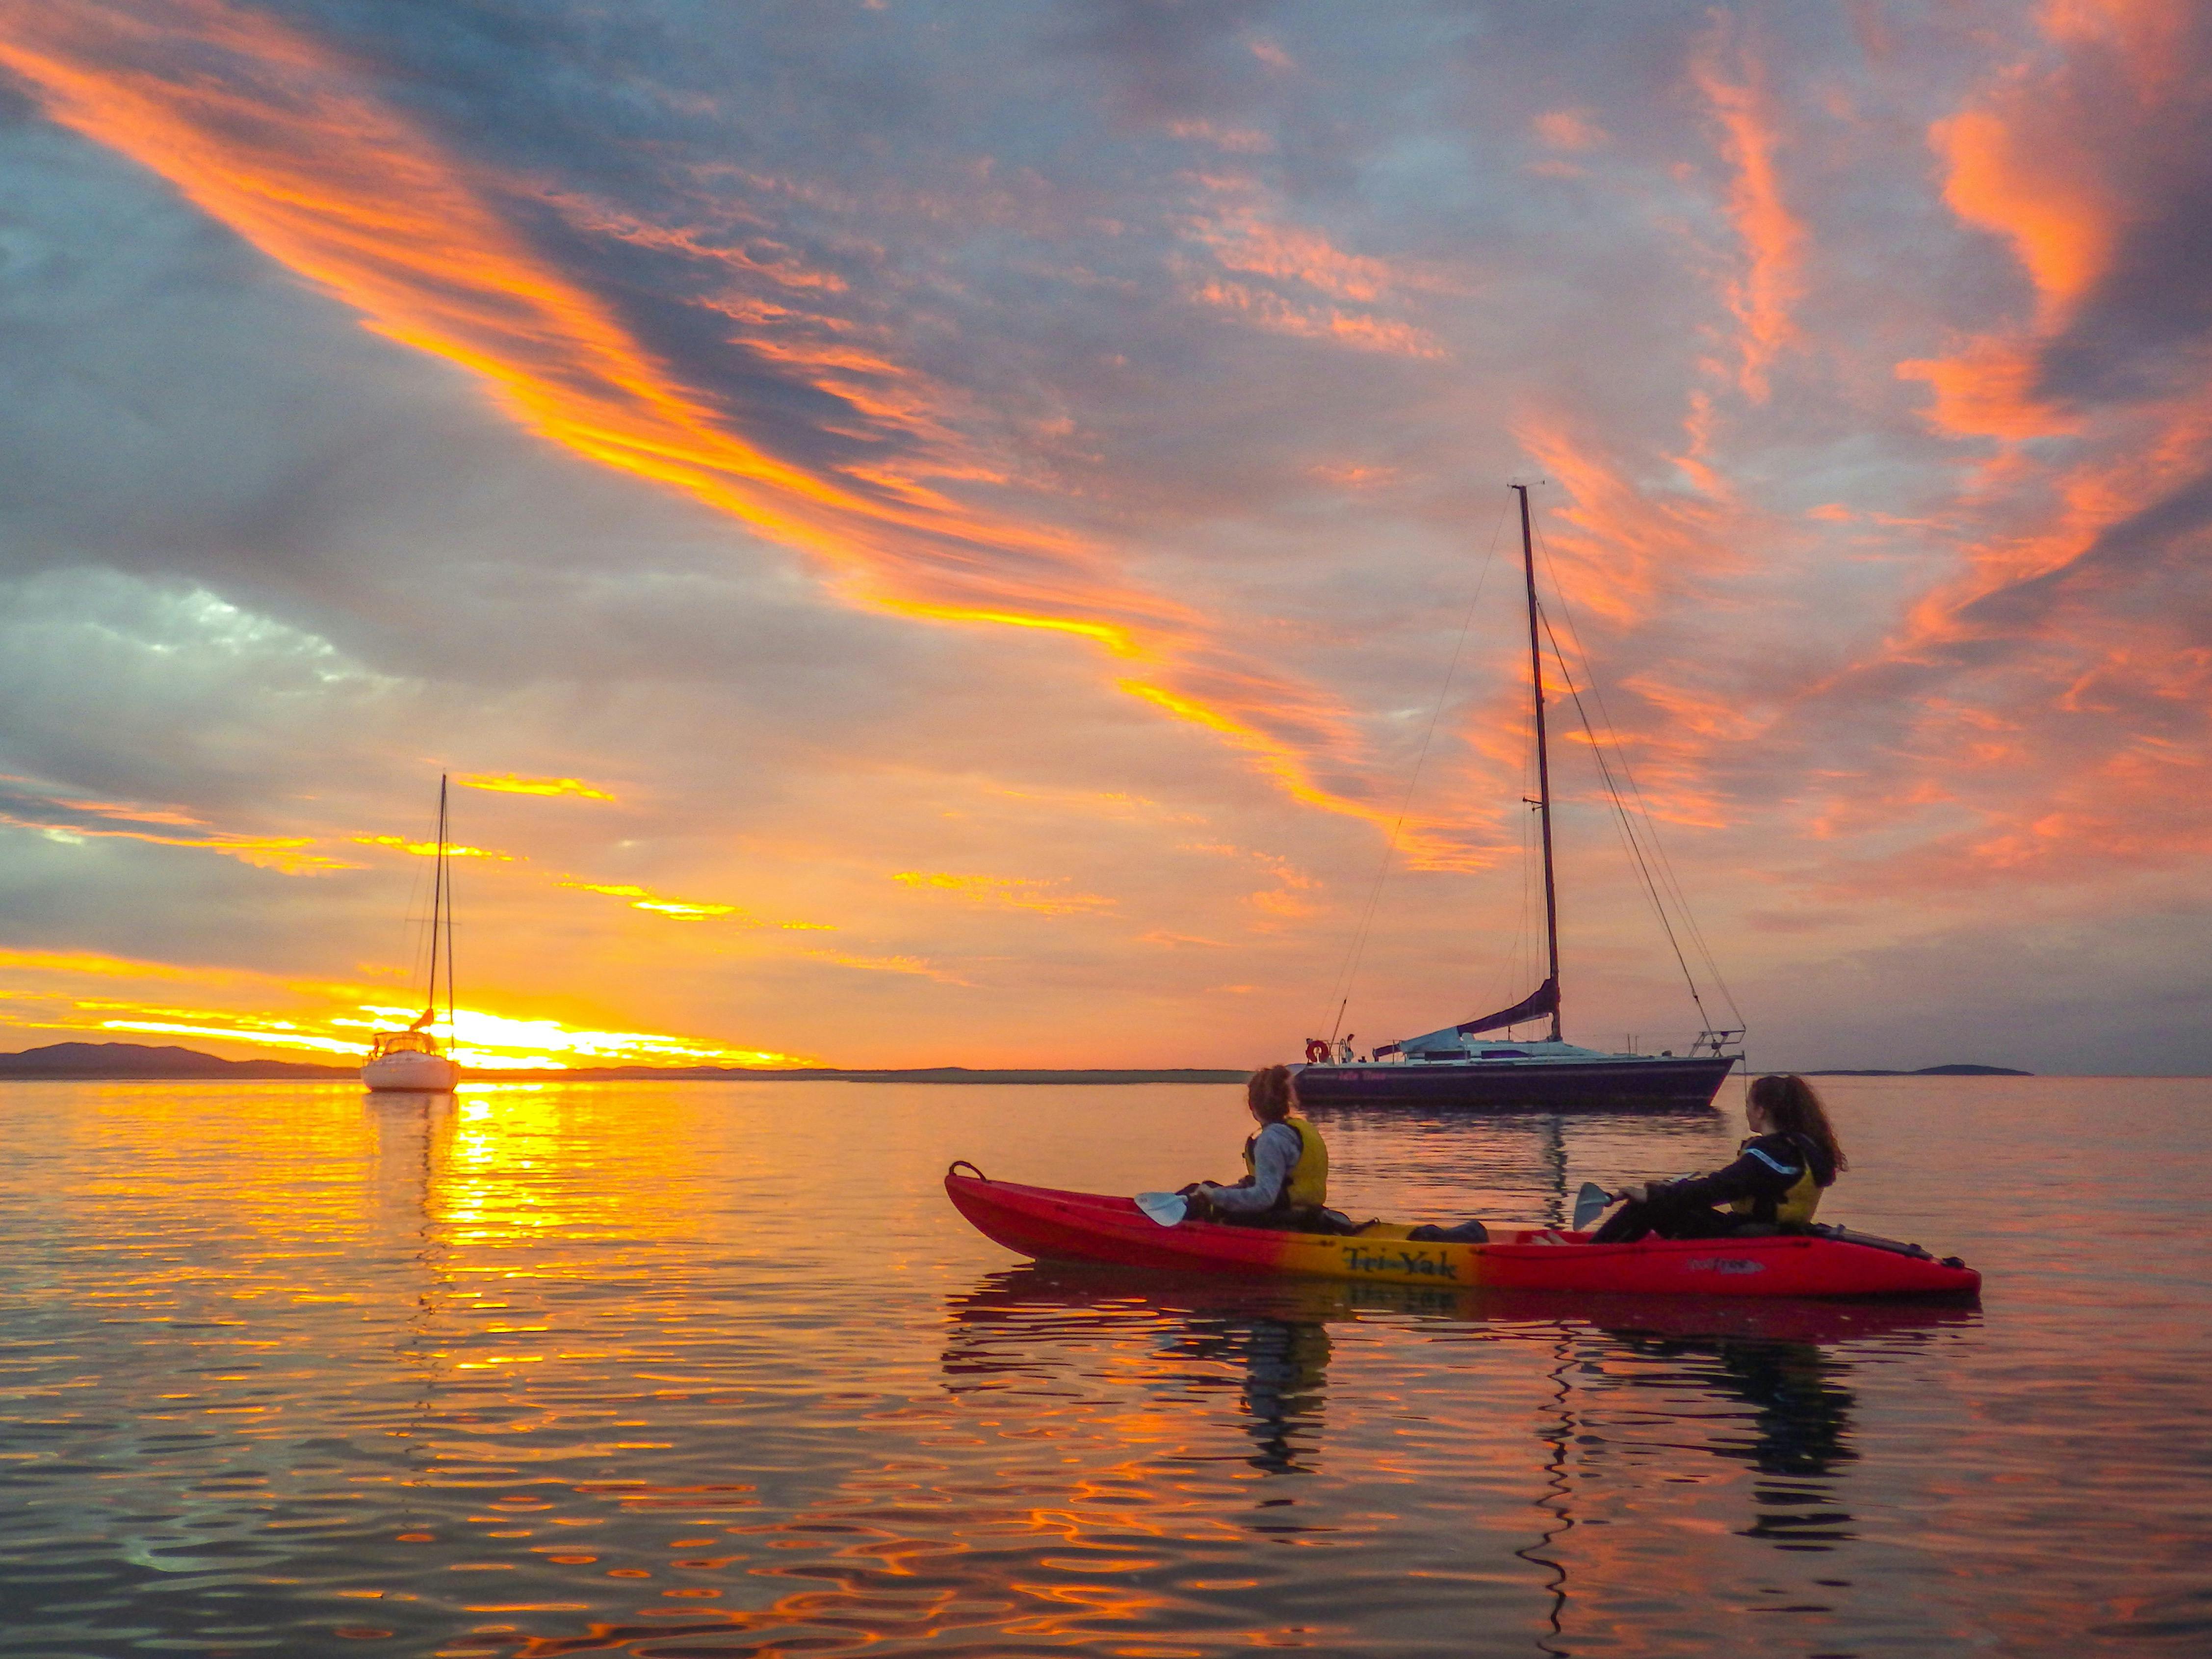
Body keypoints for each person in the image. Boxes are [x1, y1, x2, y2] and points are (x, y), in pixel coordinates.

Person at [1590, 1074, 1847, 1243]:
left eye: (1748, 1104)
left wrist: (1654, 1195)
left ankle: (1590, 1255)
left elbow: (1718, 1189)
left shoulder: (1771, 1153)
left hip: (1752, 1238)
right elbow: (1725, 1185)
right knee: (1668, 1202)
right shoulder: (1800, 1146)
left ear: (1762, 1110)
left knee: (1648, 1206)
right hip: (1775, 1233)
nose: (1746, 1110)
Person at [1184, 1063, 1336, 1230]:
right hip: (1308, 1214)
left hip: (1285, 1221)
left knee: (1200, 1194)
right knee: (1207, 1187)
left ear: (1252, 1106)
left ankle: (1164, 1229)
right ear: (1286, 1102)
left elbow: (1264, 1197)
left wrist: (1214, 1197)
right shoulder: (1299, 1129)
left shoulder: (1271, 1139)